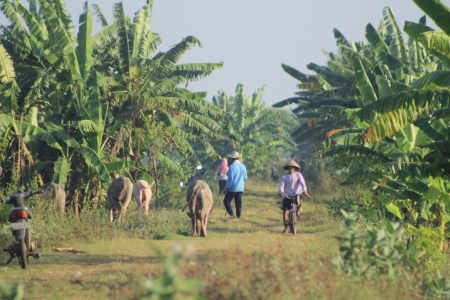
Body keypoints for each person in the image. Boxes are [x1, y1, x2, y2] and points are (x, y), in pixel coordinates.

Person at [278, 159, 310, 233]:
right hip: (286, 195)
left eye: (292, 167)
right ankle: (286, 228)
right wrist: (281, 192)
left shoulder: (298, 175)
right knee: (285, 212)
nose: (291, 169)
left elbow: (303, 184)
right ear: (287, 168)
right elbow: (281, 185)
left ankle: (298, 211)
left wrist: (304, 190)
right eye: (289, 167)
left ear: (295, 168)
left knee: (300, 200)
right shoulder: (284, 176)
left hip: (296, 194)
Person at [223, 150, 247, 221]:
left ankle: (232, 214)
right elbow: (245, 177)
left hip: (233, 188)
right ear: (238, 158)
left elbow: (230, 179)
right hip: (241, 188)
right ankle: (238, 217)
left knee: (226, 201)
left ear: (231, 159)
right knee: (238, 202)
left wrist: (226, 188)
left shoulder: (232, 167)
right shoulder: (243, 166)